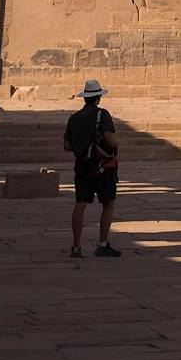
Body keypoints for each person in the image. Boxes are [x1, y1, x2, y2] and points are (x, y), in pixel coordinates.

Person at [63, 79, 120, 257]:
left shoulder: (73, 118)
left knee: (80, 204)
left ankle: (76, 246)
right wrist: (115, 148)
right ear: (98, 98)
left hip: (82, 166)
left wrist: (84, 149)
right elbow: (110, 139)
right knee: (108, 203)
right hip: (102, 167)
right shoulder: (102, 115)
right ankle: (102, 244)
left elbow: (67, 145)